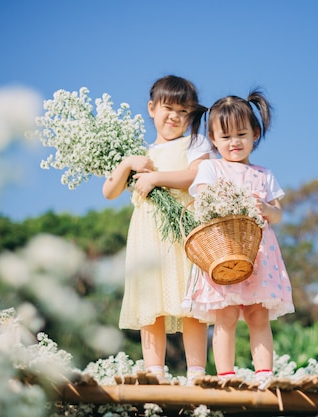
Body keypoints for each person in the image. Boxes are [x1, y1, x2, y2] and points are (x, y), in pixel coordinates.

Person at [102, 75, 213, 383]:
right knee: (151, 301)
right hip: (147, 235)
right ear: (152, 108)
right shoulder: (141, 154)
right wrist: (127, 164)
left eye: (184, 111)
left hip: (183, 229)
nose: (175, 117)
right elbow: (109, 191)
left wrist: (155, 179)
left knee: (190, 301)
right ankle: (154, 372)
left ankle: (197, 373)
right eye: (168, 108)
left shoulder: (195, 142)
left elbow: (197, 175)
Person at [184, 89, 294, 384]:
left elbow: (279, 213)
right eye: (226, 137)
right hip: (225, 251)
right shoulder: (210, 167)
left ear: (255, 134)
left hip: (260, 253)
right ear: (213, 139)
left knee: (259, 315)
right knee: (226, 315)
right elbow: (203, 199)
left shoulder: (264, 174)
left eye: (241, 134)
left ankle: (264, 374)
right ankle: (226, 375)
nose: (234, 143)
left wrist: (267, 209)